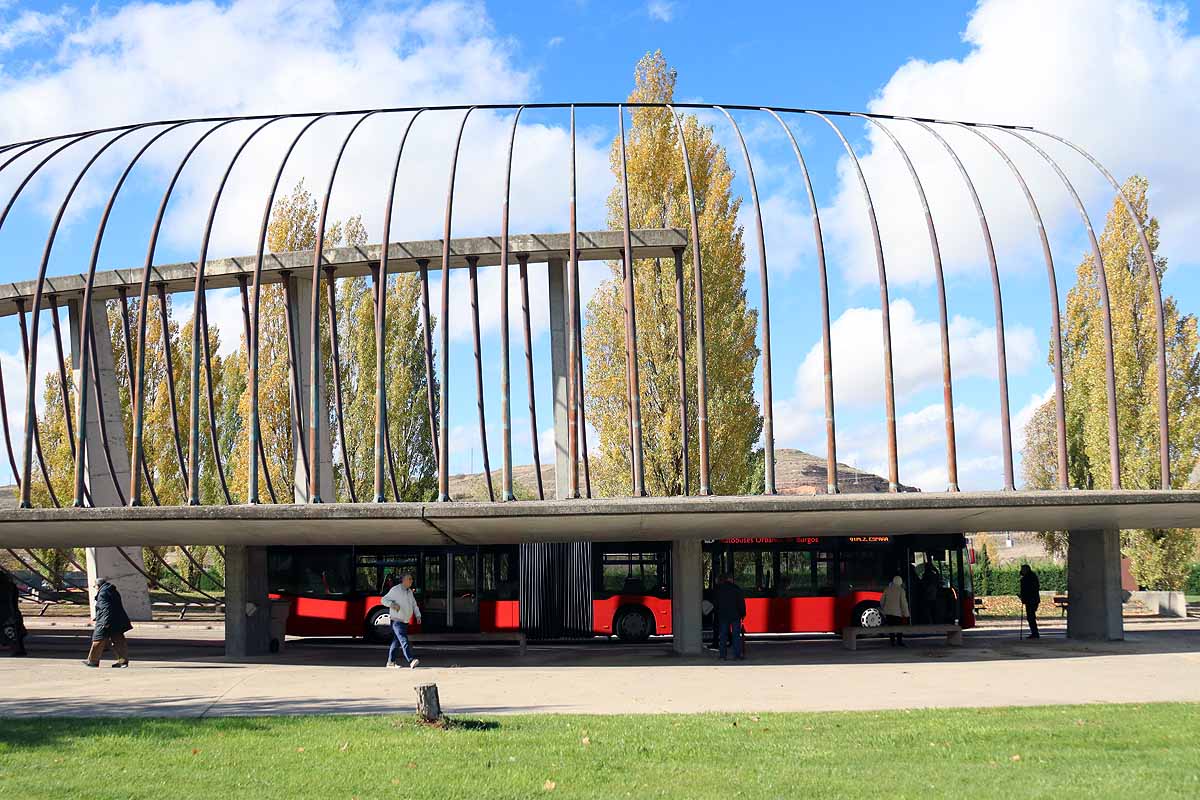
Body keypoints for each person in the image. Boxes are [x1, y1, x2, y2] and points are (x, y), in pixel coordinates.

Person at [85, 578, 132, 668]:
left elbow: (106, 608)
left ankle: (93, 661)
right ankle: (123, 661)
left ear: (98, 586)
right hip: (117, 621)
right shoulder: (112, 591)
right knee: (119, 641)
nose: (95, 588)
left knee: (98, 640)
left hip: (106, 621)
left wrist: (104, 622)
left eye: (95, 586)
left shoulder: (102, 593)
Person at [381, 573, 421, 669]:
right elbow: (383, 600)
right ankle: (411, 660)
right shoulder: (395, 590)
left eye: (412, 579)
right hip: (396, 621)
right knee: (403, 640)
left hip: (404, 621)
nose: (411, 581)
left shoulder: (409, 592)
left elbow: (414, 605)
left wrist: (418, 615)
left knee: (396, 642)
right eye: (409, 579)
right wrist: (392, 605)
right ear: (403, 580)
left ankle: (390, 662)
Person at [714, 573, 746, 661]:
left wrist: (718, 613)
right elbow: (741, 604)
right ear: (731, 579)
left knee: (723, 636)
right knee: (736, 636)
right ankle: (737, 655)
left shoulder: (720, 589)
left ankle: (722, 656)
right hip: (735, 616)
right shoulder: (737, 589)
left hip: (723, 616)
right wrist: (743, 614)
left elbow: (716, 604)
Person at [1, 571, 27, 656]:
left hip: (6, 613)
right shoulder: (10, 585)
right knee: (14, 632)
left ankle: (17, 649)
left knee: (10, 632)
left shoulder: (5, 586)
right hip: (12, 612)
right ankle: (19, 649)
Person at [879, 575, 910, 647]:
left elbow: (882, 601)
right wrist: (906, 614)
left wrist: (883, 608)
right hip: (897, 613)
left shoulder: (887, 589)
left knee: (891, 627)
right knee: (899, 627)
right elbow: (903, 603)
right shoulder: (901, 590)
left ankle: (892, 641)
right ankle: (899, 641)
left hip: (888, 613)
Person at [1019, 564, 1041, 639]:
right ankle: (1034, 632)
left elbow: (1028, 589)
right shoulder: (1031, 576)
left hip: (1031, 600)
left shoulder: (1027, 578)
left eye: (1022, 569)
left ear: (1026, 570)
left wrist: (1024, 597)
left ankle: (1035, 633)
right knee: (1031, 617)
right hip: (1032, 599)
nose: (1021, 571)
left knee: (1031, 617)